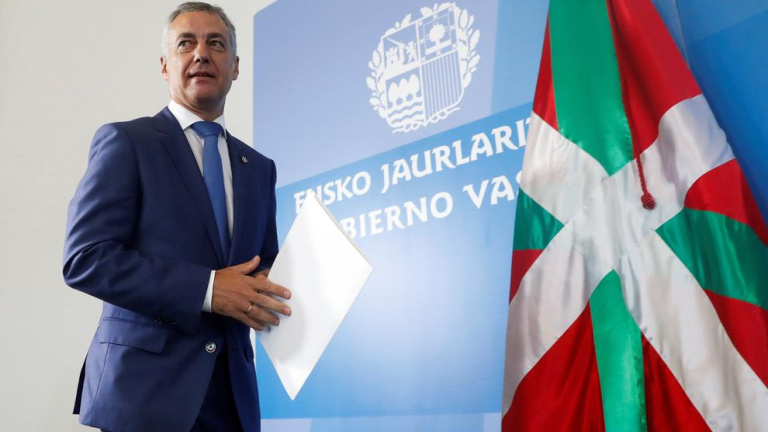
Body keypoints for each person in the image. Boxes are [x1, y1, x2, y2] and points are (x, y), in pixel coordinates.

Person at [62, 3, 291, 431]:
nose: (201, 53)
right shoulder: (127, 142)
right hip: (144, 397)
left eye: (216, 44)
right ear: (165, 65)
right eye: (186, 43)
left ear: (235, 66)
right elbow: (85, 259)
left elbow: (262, 267)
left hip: (232, 398)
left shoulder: (259, 168)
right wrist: (209, 289)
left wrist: (275, 286)